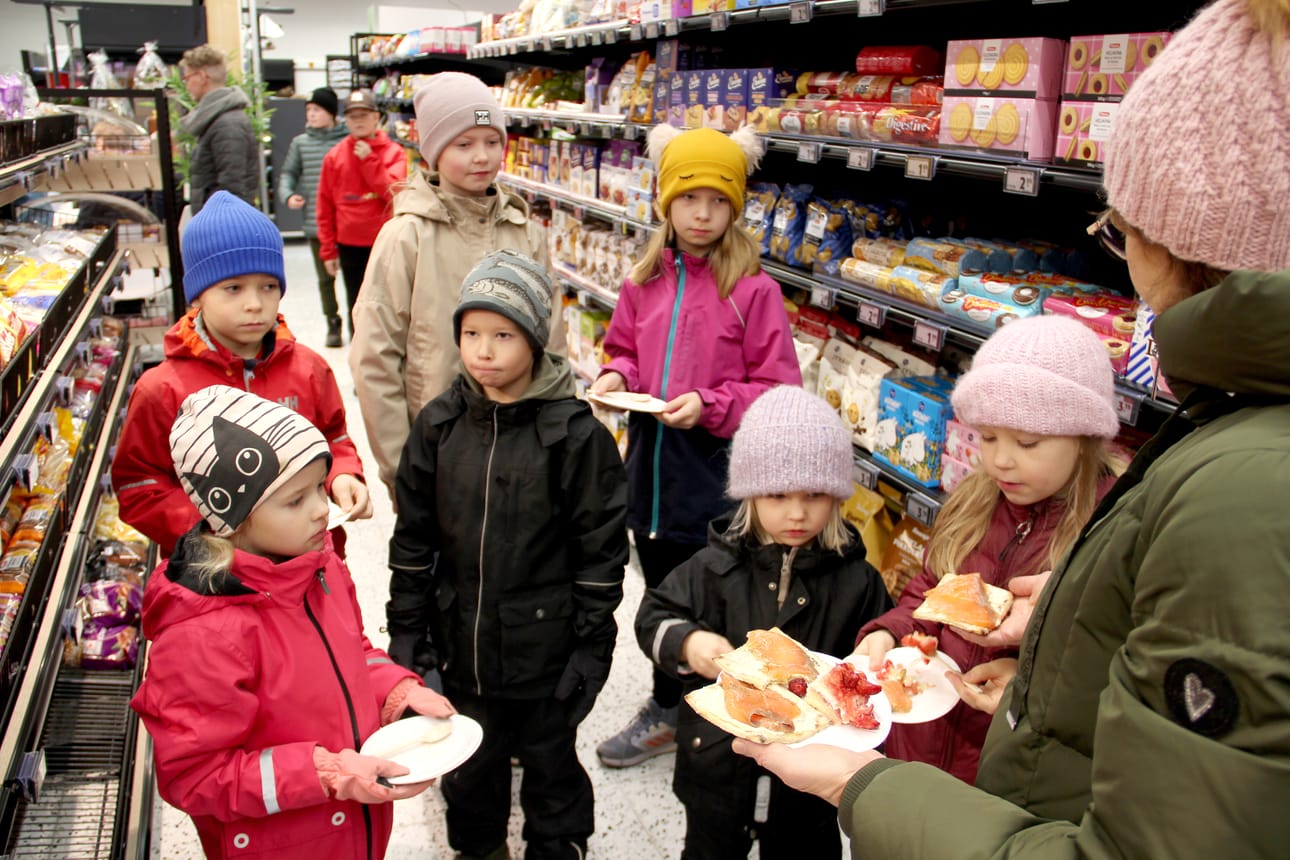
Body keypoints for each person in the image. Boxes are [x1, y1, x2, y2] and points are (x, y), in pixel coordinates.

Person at [734, 1, 1290, 855]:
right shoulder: (1228, 443)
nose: (1126, 262)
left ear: (1185, 242)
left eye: (1121, 231)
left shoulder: (1241, 490)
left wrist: (861, 786)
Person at [130, 386, 456, 860]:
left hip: (350, 831)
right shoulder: (203, 632)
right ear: (232, 520)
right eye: (294, 500)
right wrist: (326, 774)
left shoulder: (318, 566)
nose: (322, 509)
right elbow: (194, 775)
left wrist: (398, 693)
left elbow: (353, 653)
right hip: (279, 842)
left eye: (320, 487)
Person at [385, 250, 629, 860]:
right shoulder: (439, 428)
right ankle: (478, 847)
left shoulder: (574, 436)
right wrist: (409, 632)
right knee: (470, 766)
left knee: (551, 763)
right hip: (459, 645)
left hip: (546, 656)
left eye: (502, 334)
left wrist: (592, 645)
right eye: (470, 333)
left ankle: (561, 844)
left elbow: (600, 553)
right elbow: (413, 537)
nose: (483, 350)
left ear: (536, 340)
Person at [592, 125, 802, 768]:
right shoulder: (642, 280)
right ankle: (667, 705)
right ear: (665, 203)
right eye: (689, 199)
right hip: (649, 475)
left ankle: (731, 714)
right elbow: (624, 349)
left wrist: (709, 406)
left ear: (735, 206)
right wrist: (615, 377)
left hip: (715, 475)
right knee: (663, 598)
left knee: (721, 597)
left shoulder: (754, 291)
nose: (702, 213)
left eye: (717, 199)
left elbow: (777, 386)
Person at [852, 315, 1121, 783]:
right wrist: (893, 632)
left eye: (1028, 442)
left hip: (1006, 766)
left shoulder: (1107, 531)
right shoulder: (976, 499)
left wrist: (1028, 686)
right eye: (988, 437)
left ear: (1085, 438)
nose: (999, 459)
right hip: (917, 740)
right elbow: (931, 590)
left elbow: (1103, 665)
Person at [636, 385, 893, 859]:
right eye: (777, 495)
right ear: (750, 494)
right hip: (715, 763)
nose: (796, 513)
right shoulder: (714, 567)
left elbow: (879, 645)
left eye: (815, 495)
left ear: (837, 496)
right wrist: (689, 644)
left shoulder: (858, 581)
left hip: (810, 782)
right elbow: (654, 615)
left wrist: (881, 643)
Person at [113, 191, 371, 558]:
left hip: (310, 564)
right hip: (217, 578)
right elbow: (139, 485)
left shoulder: (309, 369)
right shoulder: (163, 389)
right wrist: (212, 531)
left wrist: (342, 475)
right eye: (233, 288)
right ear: (197, 296)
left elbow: (334, 437)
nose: (254, 303)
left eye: (268, 286)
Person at [350, 71, 555, 498]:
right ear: (433, 152)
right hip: (436, 453)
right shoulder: (406, 236)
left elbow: (551, 344)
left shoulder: (526, 233)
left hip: (523, 451)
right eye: (463, 144)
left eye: (492, 141)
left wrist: (558, 439)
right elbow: (375, 357)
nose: (482, 156)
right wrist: (402, 466)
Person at [315, 89, 406, 339]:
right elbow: (325, 206)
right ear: (345, 120)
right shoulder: (334, 157)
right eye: (352, 115)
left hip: (386, 244)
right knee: (357, 303)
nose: (358, 120)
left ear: (376, 117)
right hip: (350, 246)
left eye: (364, 114)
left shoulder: (393, 153)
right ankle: (362, 365)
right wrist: (327, 250)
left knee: (391, 306)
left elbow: (394, 193)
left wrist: (369, 161)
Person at [278, 87, 349, 347]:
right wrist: (288, 195)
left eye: (317, 109)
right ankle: (332, 321)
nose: (312, 114)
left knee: (357, 278)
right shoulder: (300, 143)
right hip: (315, 220)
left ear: (331, 112)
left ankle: (358, 321)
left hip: (349, 221)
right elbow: (288, 173)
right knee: (324, 278)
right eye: (308, 110)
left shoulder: (348, 141)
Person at [178, 44, 258, 213]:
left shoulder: (227, 123)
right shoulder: (214, 119)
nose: (186, 85)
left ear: (201, 76)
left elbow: (232, 188)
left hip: (224, 228)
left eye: (187, 78)